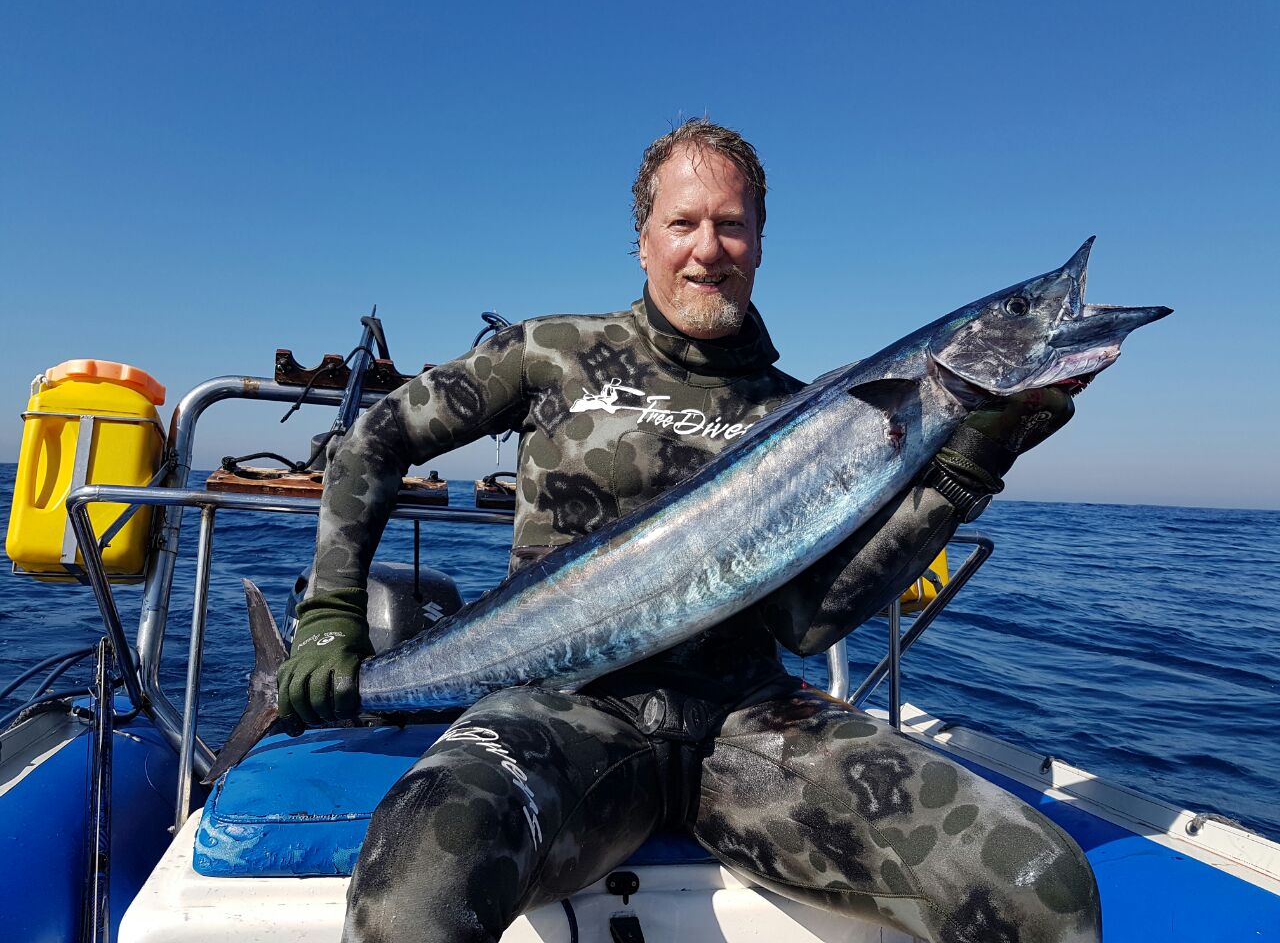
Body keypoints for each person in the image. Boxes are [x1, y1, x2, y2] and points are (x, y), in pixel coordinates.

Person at [278, 119, 1101, 943]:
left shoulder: (806, 411)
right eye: (683, 223)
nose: (708, 249)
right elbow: (374, 440)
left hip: (753, 730)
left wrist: (965, 469)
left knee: (1044, 886)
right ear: (643, 242)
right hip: (556, 715)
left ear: (760, 243)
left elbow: (806, 623)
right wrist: (330, 611)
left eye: (732, 224)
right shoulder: (550, 352)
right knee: (418, 873)